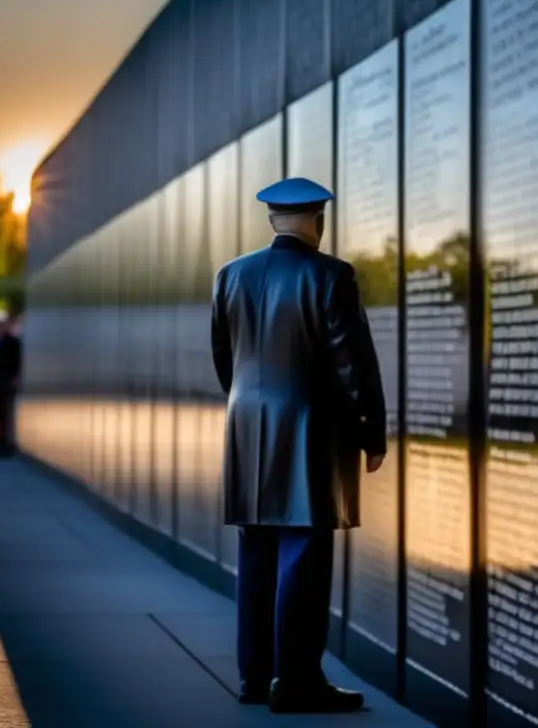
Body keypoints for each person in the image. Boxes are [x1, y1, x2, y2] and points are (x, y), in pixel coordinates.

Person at [211, 177, 386, 714]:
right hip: (308, 433)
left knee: (258, 552)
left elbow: (225, 358)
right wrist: (371, 433)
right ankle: (298, 681)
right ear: (317, 220)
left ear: (272, 220)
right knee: (304, 557)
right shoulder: (332, 275)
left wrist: (249, 410)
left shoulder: (230, 275)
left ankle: (255, 675)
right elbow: (351, 363)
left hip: (246, 428)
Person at [0, 310, 21, 457]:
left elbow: (16, 362)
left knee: (5, 414)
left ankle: (6, 443)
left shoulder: (11, 342)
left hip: (5, 381)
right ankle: (2, 442)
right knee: (0, 413)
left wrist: (14, 378)